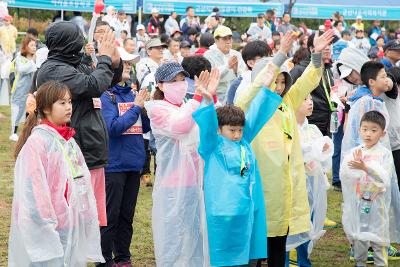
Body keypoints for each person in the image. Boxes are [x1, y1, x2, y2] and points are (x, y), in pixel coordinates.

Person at [236, 30, 335, 267]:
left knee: (278, 240)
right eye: (275, 81)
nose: (279, 87)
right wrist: (279, 56)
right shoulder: (252, 106)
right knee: (257, 242)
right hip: (261, 185)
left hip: (285, 185)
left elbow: (308, 79)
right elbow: (250, 95)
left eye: (283, 82)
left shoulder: (288, 102)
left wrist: (317, 54)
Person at [36, 21, 123, 228]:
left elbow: (105, 81)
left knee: (88, 220)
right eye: (78, 40)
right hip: (73, 150)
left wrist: (114, 63)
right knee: (70, 220)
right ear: (67, 43)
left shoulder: (73, 64)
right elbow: (92, 85)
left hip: (89, 148)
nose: (81, 43)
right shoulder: (53, 70)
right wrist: (103, 59)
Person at [9, 81, 104, 266]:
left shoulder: (67, 141)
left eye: (69, 101)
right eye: (62, 103)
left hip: (69, 223)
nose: (69, 107)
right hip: (48, 227)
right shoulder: (38, 143)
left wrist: (83, 215)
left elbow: (80, 181)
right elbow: (34, 193)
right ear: (45, 108)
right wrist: (47, 225)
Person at [193, 68, 281, 266]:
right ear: (219, 129)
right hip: (223, 212)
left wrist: (266, 88)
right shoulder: (212, 146)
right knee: (224, 256)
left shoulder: (244, 142)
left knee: (248, 253)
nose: (236, 134)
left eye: (240, 130)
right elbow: (206, 127)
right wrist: (207, 99)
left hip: (247, 210)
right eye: (231, 130)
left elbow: (257, 115)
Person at [144, 62, 209, 266]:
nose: (180, 84)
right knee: (174, 238)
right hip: (173, 184)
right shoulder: (157, 108)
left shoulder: (187, 104)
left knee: (196, 234)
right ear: (161, 85)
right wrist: (198, 98)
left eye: (182, 79)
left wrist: (208, 97)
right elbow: (180, 125)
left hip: (195, 180)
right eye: (173, 81)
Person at [341, 61, 400, 261]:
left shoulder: (372, 100)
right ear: (372, 81)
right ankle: (361, 247)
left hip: (374, 162)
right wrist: (366, 161)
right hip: (364, 164)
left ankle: (375, 244)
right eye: (384, 76)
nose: (387, 80)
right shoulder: (368, 103)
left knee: (377, 206)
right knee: (365, 207)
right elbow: (360, 135)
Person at [99, 47, 150, 267]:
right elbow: (113, 128)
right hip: (114, 165)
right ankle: (104, 258)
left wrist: (144, 110)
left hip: (133, 164)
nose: (129, 66)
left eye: (130, 64)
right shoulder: (105, 96)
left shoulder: (132, 94)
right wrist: (136, 108)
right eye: (125, 63)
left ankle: (123, 256)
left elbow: (144, 127)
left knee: (127, 215)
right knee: (111, 215)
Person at [285, 94, 333, 267]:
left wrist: (323, 150)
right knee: (290, 223)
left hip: (311, 183)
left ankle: (303, 259)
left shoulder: (312, 129)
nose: (310, 102)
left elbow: (324, 160)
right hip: (293, 184)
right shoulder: (288, 129)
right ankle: (284, 259)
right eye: (304, 98)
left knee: (308, 222)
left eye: (311, 99)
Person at [341, 111, 393, 267]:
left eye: (373, 130)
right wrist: (354, 169)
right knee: (360, 239)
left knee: (379, 241)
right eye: (364, 129)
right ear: (359, 130)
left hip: (378, 207)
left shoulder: (384, 154)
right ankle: (360, 262)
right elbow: (345, 175)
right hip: (359, 204)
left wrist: (365, 168)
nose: (368, 134)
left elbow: (385, 180)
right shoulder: (355, 152)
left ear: (382, 133)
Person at [291, 32, 335, 136]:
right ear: (311, 49)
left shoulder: (328, 69)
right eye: (324, 45)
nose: (327, 48)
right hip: (309, 124)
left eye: (329, 44)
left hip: (327, 124)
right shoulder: (299, 70)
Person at [204, 25, 246, 103]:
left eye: (229, 38)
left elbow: (243, 75)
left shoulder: (236, 54)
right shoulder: (208, 55)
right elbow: (211, 75)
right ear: (216, 40)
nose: (228, 41)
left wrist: (236, 70)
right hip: (216, 97)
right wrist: (227, 66)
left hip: (234, 95)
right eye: (224, 39)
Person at [227, 40, 272, 104]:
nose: (268, 62)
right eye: (263, 59)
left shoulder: (275, 78)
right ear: (250, 63)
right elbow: (231, 111)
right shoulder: (237, 85)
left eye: (270, 58)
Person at [9, 36, 37, 142]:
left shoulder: (35, 58)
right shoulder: (19, 58)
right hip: (19, 90)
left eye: (35, 45)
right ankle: (13, 133)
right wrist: (32, 62)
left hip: (30, 91)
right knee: (17, 111)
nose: (34, 48)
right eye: (31, 45)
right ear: (25, 46)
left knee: (30, 112)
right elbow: (22, 69)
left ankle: (28, 133)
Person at [0, 15, 17, 106]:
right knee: (3, 72)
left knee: (10, 71)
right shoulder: (1, 29)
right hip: (3, 53)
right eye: (5, 20)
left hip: (12, 52)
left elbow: (15, 37)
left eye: (8, 20)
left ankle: (10, 91)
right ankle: (2, 91)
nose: (7, 21)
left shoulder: (13, 29)